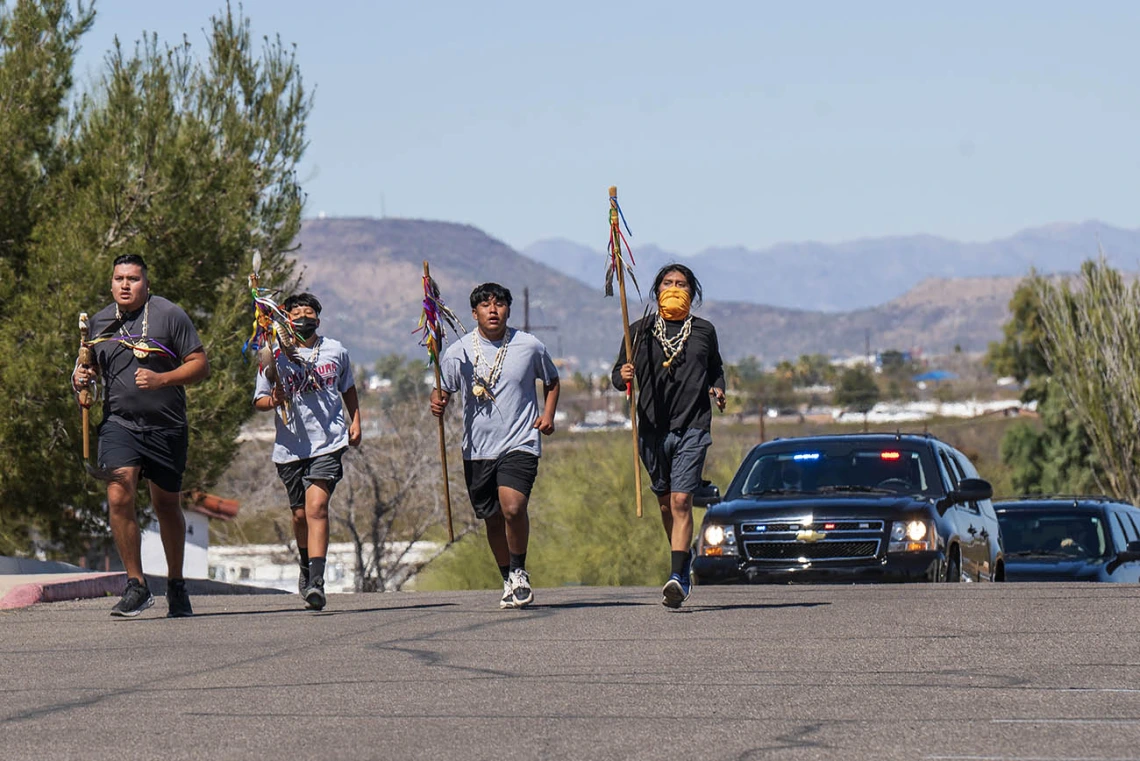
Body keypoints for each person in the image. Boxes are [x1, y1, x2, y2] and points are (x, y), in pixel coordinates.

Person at [72, 254, 210, 618]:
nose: (125, 285)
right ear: (111, 282)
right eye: (119, 278)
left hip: (166, 426)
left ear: (146, 283)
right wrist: (80, 380)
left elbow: (200, 364)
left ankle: (176, 584)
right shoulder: (100, 322)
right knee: (119, 495)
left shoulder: (169, 315)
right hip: (120, 425)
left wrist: (163, 379)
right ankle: (136, 585)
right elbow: (85, 369)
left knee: (166, 504)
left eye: (133, 278)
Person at [430, 283, 560, 609]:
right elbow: (443, 390)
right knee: (492, 518)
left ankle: (519, 572)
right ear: (474, 313)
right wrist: (438, 401)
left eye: (499, 304)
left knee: (513, 507)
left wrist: (547, 414)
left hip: (520, 440)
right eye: (485, 305)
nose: (493, 310)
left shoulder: (529, 346)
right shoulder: (457, 352)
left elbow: (553, 381)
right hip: (477, 449)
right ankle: (507, 578)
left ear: (508, 310)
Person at [612, 263, 725, 609]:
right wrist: (624, 373)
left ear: (692, 292)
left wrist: (717, 389)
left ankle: (677, 577)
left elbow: (716, 368)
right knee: (665, 502)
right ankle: (683, 560)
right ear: (657, 290)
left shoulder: (704, 331)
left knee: (681, 501)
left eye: (681, 283)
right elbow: (618, 378)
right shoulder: (639, 331)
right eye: (667, 283)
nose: (674, 288)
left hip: (692, 427)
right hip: (651, 429)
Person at [254, 292, 361, 611]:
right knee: (300, 514)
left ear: (318, 317)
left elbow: (348, 388)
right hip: (290, 446)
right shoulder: (273, 356)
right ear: (286, 318)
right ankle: (305, 566)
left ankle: (316, 581)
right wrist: (275, 398)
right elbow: (259, 400)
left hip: (328, 442)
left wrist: (355, 421)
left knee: (317, 507)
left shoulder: (335, 351)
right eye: (296, 312)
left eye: (309, 311)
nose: (303, 317)